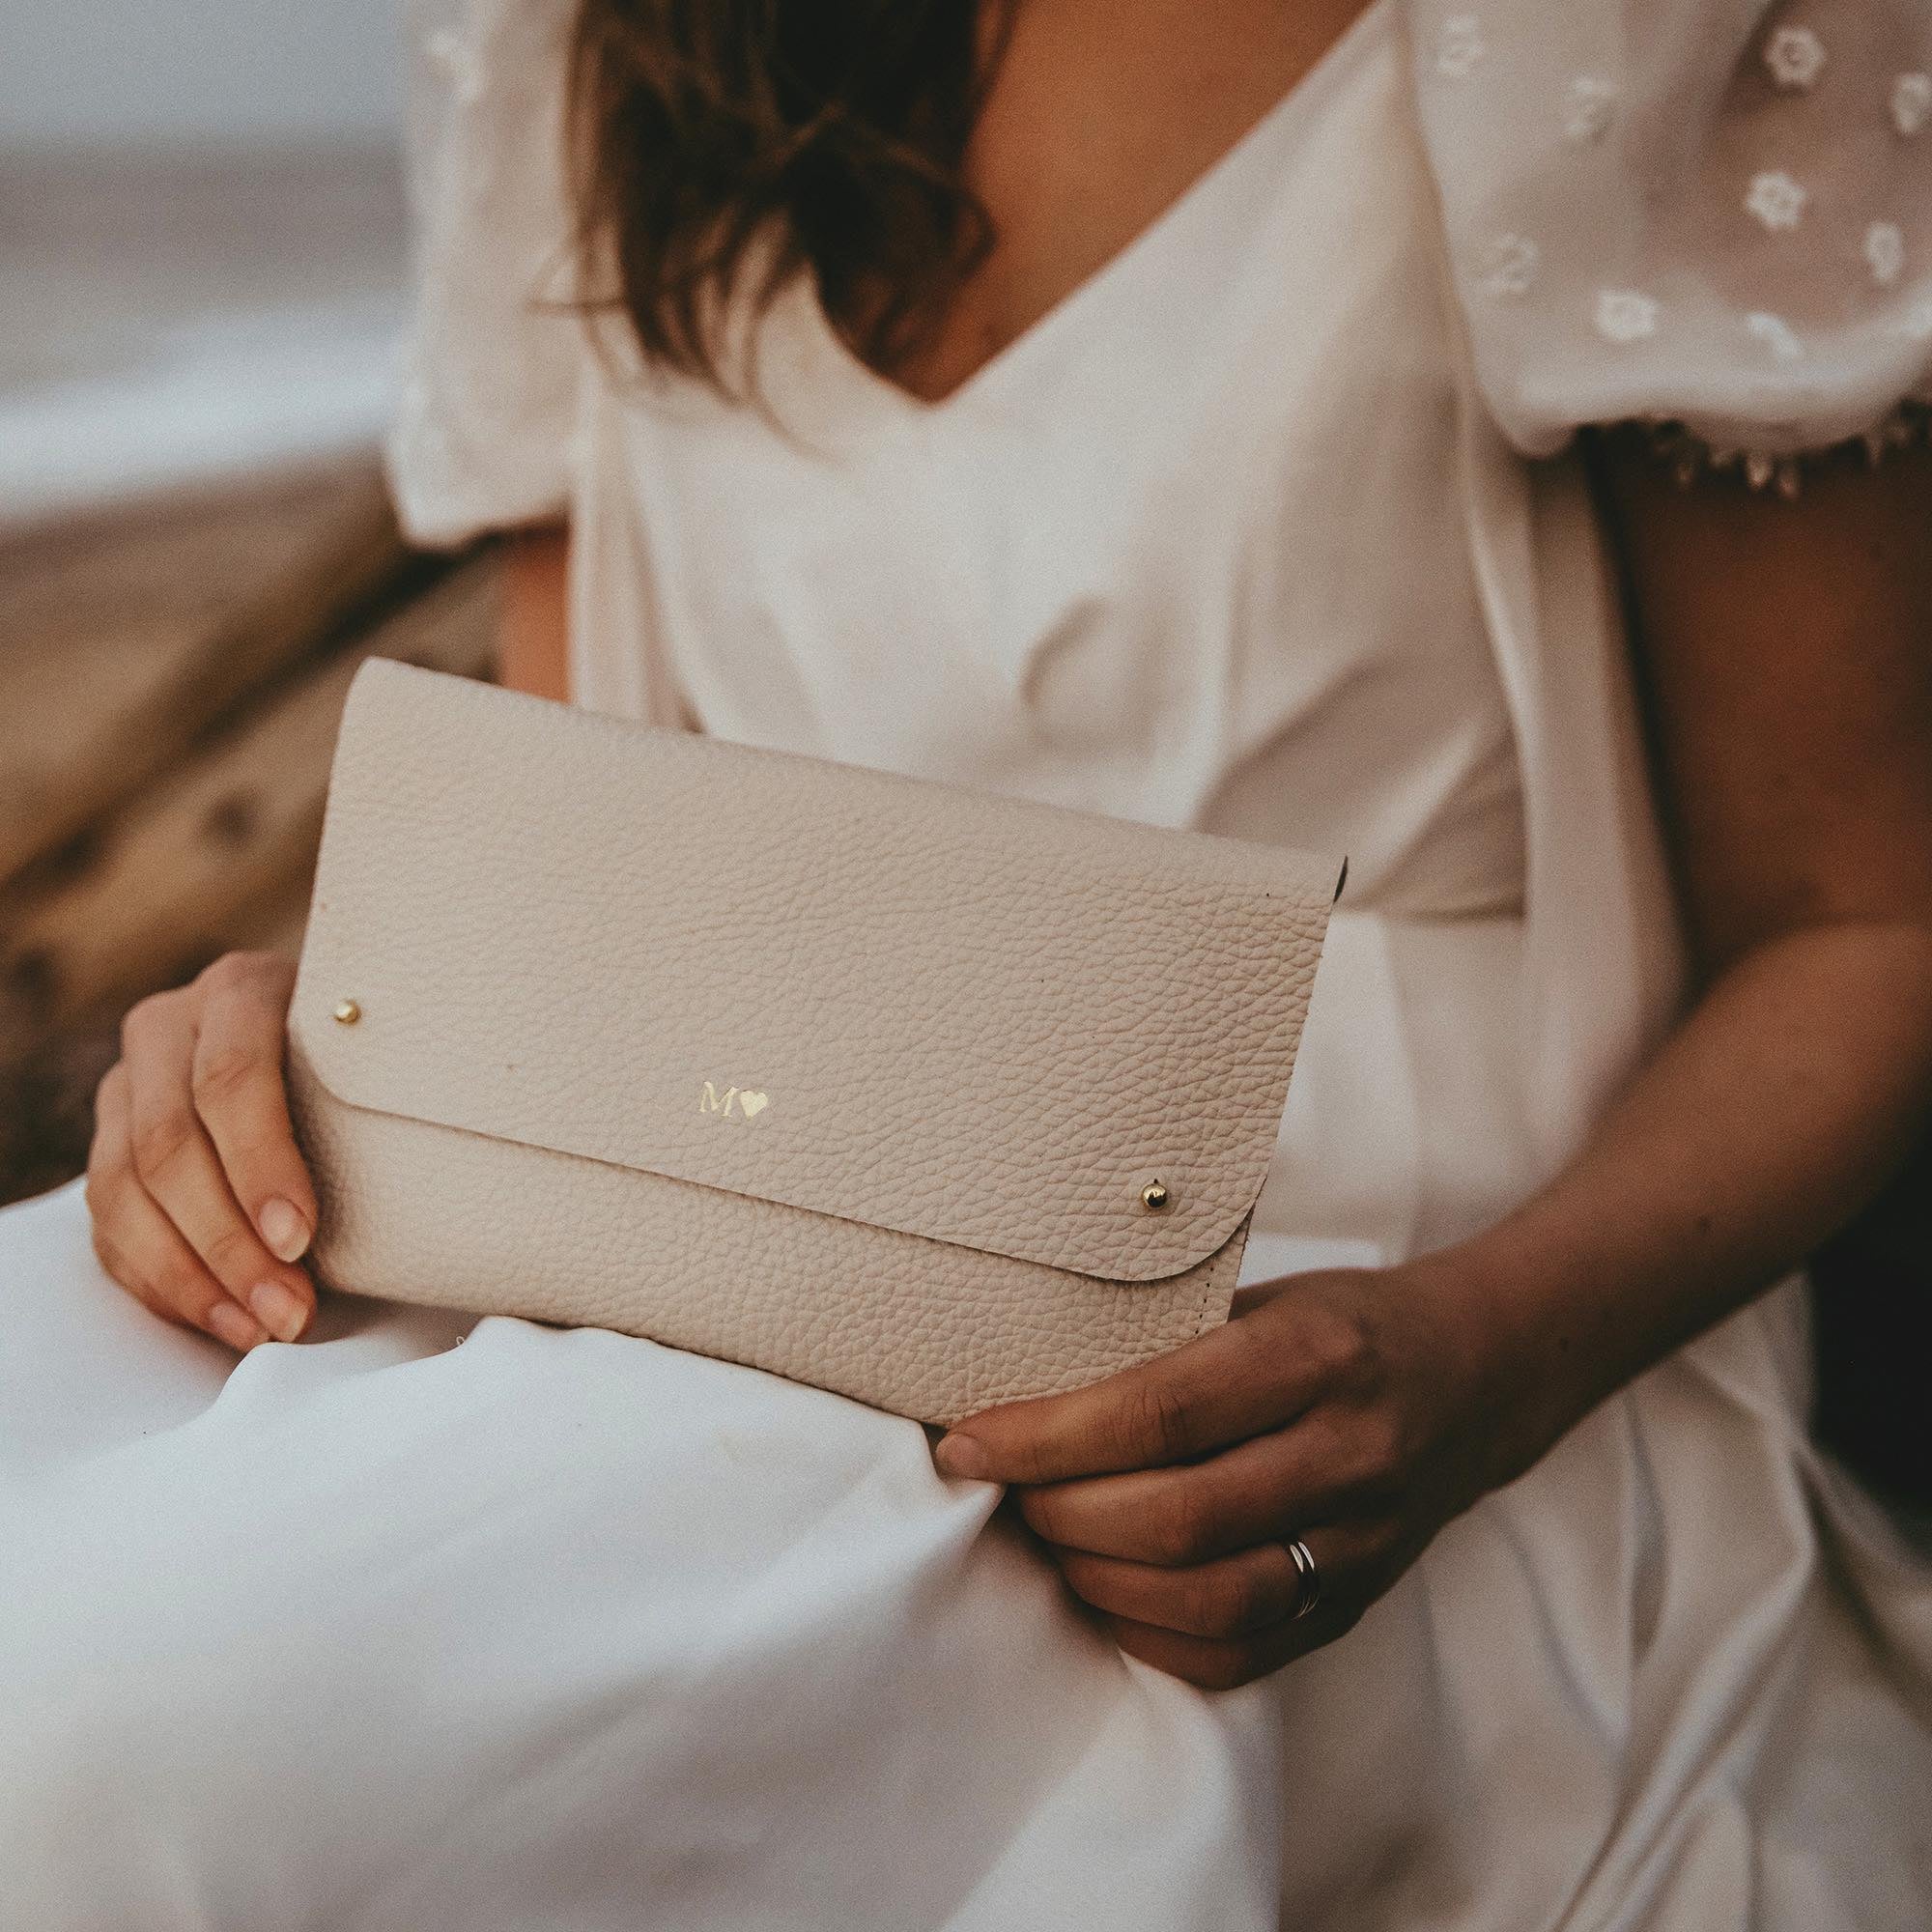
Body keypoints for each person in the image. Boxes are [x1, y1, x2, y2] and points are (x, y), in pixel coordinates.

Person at [3, 0, 1930, 1924]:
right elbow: (580, 833)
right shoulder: (587, 41)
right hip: (676, 1237)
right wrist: (288, 1028)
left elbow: (1858, 925)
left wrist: (1472, 1361)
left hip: (1331, 1352)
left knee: (159, 1733)